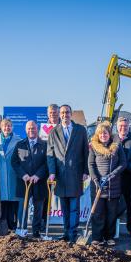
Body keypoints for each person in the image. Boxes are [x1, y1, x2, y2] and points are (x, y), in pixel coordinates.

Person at [47, 104, 89, 243]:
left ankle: (73, 234)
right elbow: (50, 154)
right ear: (59, 114)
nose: (65, 115)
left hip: (76, 174)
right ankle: (66, 232)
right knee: (64, 207)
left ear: (71, 114)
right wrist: (52, 172)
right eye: (63, 113)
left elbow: (85, 152)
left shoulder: (80, 130)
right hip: (60, 175)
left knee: (74, 207)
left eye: (67, 112)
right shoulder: (54, 132)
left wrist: (85, 171)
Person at [88, 121, 126, 245]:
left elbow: (123, 163)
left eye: (105, 133)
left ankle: (109, 236)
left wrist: (112, 175)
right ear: (97, 135)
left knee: (111, 213)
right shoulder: (93, 147)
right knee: (98, 213)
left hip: (113, 185)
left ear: (109, 134)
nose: (103, 135)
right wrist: (95, 179)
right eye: (100, 133)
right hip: (98, 186)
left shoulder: (117, 146)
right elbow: (91, 164)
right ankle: (97, 237)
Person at [12, 120, 48, 237]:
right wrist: (23, 175)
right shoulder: (20, 144)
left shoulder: (44, 145)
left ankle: (36, 231)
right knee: (23, 207)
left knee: (38, 208)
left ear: (37, 129)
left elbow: (47, 163)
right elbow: (15, 162)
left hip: (39, 181)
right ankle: (21, 229)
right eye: (29, 128)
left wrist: (38, 175)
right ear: (25, 130)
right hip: (24, 182)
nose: (31, 130)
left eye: (33, 128)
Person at [0, 118, 22, 232]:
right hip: (0, 174)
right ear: (1, 128)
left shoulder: (18, 141)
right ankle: (3, 226)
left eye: (9, 126)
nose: (7, 128)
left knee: (13, 200)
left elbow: (22, 158)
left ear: (12, 127)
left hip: (13, 174)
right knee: (2, 200)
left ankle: (12, 225)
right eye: (4, 126)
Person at [113, 116, 131, 235]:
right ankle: (112, 230)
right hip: (115, 177)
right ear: (117, 127)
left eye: (125, 126)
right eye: (121, 126)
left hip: (130, 176)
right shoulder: (112, 138)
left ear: (129, 126)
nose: (123, 128)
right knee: (113, 203)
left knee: (130, 204)